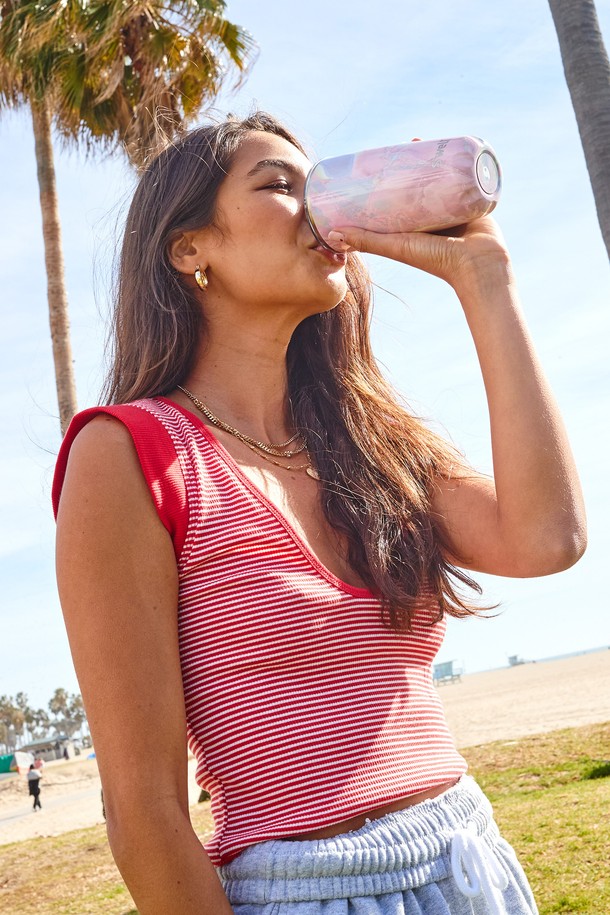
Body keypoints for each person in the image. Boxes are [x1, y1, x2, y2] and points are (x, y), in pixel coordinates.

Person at [52, 112, 586, 914]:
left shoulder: (364, 440)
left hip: (470, 863)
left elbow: (548, 537)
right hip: (311, 891)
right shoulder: (130, 453)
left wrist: (487, 279)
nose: (321, 208)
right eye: (280, 185)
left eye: (324, 185)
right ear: (189, 249)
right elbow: (145, 814)